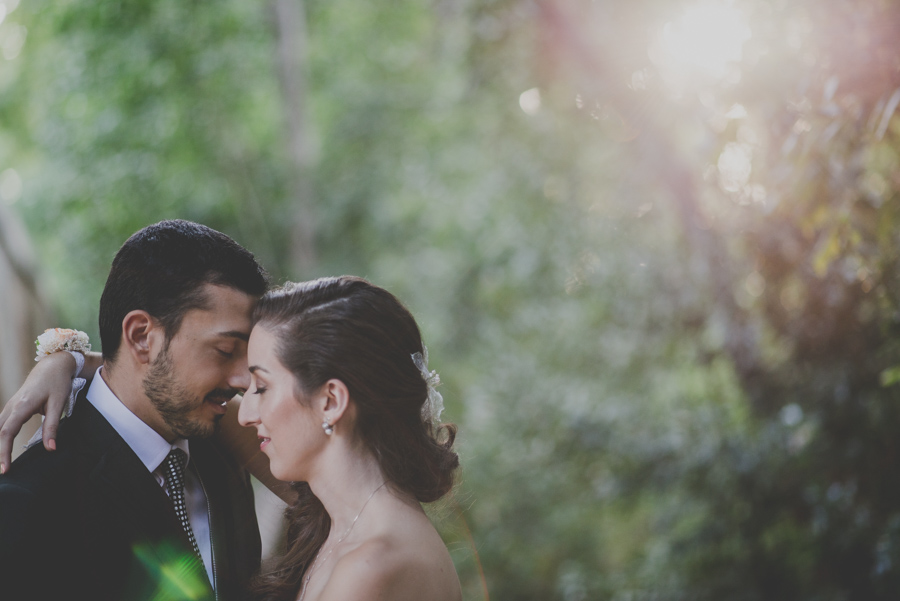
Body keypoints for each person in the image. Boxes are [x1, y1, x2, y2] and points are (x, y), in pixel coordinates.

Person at [0, 220, 267, 600]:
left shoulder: (223, 453)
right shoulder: (29, 502)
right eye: (225, 351)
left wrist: (73, 360)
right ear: (142, 336)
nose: (243, 379)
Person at [237, 276, 462, 601]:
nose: (245, 414)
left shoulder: (372, 566)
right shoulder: (348, 525)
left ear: (330, 401)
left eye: (261, 387)